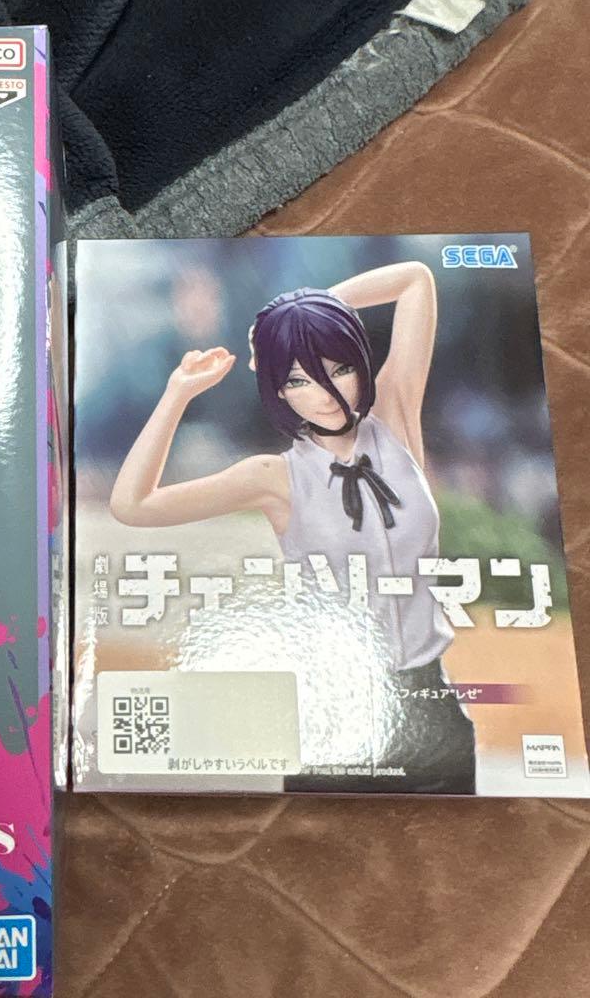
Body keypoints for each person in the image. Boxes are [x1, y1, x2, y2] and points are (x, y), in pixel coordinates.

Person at [109, 263, 476, 794]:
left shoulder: (395, 418)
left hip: (432, 714)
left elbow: (416, 279)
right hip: (336, 715)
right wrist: (177, 395)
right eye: (299, 380)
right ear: (279, 391)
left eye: (339, 368)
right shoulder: (273, 476)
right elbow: (132, 505)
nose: (325, 394)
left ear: (360, 362)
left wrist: (300, 316)